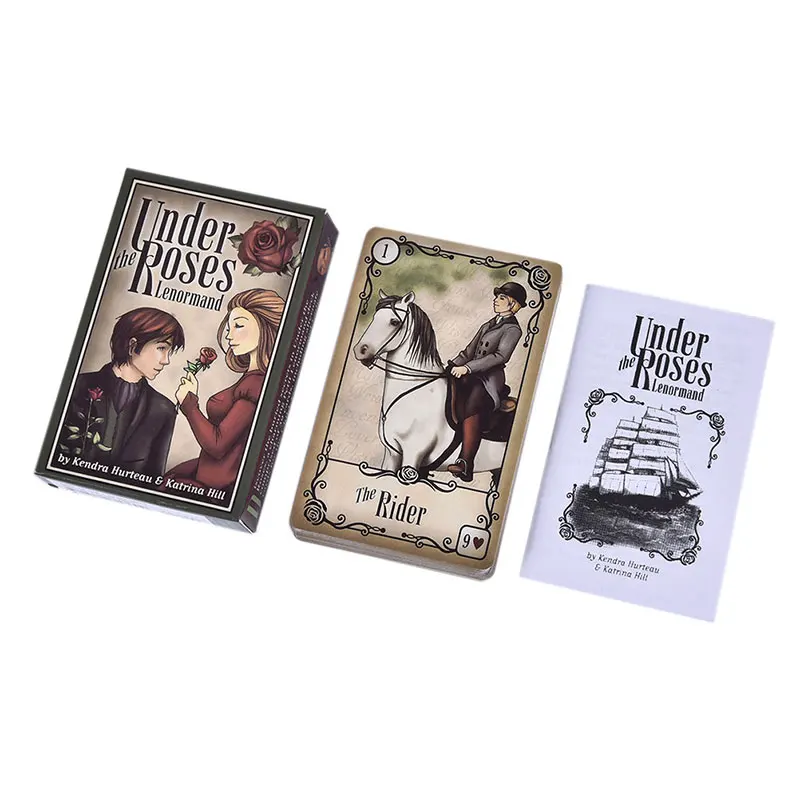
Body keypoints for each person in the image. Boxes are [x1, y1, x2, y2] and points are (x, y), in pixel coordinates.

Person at [168, 288, 285, 495]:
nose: (229, 336)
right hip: (205, 477)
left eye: (239, 326)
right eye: (229, 327)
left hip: (216, 490)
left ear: (265, 327)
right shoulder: (250, 379)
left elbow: (217, 445)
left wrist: (189, 405)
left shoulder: (256, 384)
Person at [59, 307, 185, 475]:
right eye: (162, 348)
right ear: (133, 346)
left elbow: (153, 478)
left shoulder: (164, 410)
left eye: (169, 351)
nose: (166, 360)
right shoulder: (78, 386)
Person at [446, 281, 527, 481]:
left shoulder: (513, 330)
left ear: (513, 304)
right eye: (497, 297)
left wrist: (467, 368)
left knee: (473, 401)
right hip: (469, 372)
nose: (496, 300)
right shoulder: (488, 324)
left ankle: (466, 462)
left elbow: (500, 356)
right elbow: (469, 351)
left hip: (489, 379)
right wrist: (451, 366)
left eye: (501, 298)